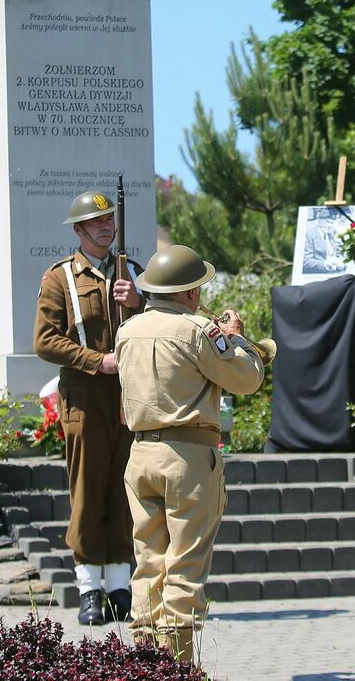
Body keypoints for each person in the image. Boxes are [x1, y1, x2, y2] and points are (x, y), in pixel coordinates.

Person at [115, 244, 265, 662]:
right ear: (191, 292)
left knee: (148, 562)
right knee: (185, 564)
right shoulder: (199, 329)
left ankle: (143, 663)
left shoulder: (127, 331)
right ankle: (177, 667)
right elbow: (246, 379)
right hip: (188, 456)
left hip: (141, 453)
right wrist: (236, 341)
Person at [34, 190, 142, 625]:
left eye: (108, 219)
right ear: (78, 230)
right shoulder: (60, 278)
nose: (105, 226)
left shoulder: (132, 272)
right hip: (84, 398)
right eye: (95, 222)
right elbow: (45, 340)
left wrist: (139, 302)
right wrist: (99, 361)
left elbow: (159, 322)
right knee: (87, 490)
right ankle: (88, 590)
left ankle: (119, 587)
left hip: (127, 399)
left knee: (123, 491)